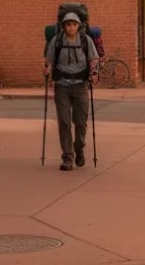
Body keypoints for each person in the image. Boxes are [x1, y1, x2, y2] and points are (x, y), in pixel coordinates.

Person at [43, 11, 99, 171]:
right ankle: (68, 157)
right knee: (64, 122)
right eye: (68, 24)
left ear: (78, 26)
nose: (71, 27)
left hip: (81, 85)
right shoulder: (57, 40)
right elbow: (49, 60)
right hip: (62, 85)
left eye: (74, 24)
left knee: (81, 122)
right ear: (64, 26)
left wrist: (94, 74)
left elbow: (94, 59)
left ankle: (79, 146)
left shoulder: (85, 40)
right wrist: (47, 69)